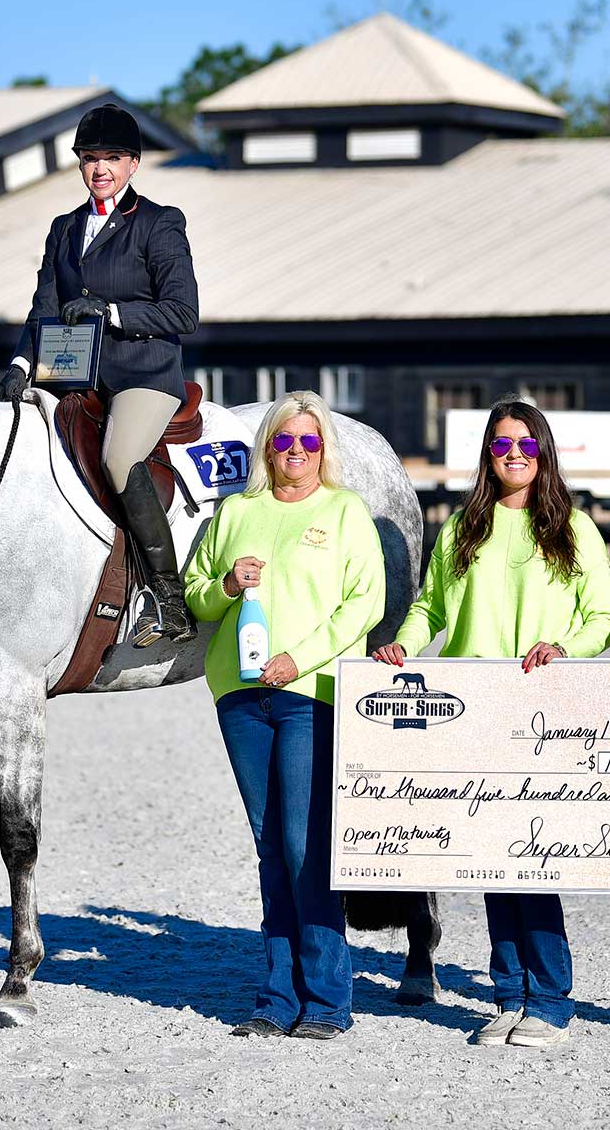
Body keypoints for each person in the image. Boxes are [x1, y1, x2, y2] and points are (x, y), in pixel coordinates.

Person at [371, 398, 610, 1048]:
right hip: (471, 710)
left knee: (533, 861)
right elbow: (430, 608)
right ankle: (508, 996)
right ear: (488, 453)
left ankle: (552, 1002)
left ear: (543, 453)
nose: (514, 454)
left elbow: (603, 619)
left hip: (539, 712)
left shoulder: (575, 530)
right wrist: (404, 645)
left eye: (526, 445)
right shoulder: (462, 529)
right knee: (490, 860)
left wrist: (565, 648)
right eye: (502, 444)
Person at [183, 392, 385, 1040]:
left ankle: (327, 999)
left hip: (312, 691)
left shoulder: (345, 510)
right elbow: (192, 594)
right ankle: (276, 998)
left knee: (306, 846)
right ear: (267, 447)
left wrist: (301, 659)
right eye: (284, 441)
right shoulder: (235, 512)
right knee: (269, 844)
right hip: (239, 694)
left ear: (324, 448)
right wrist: (226, 586)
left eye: (309, 442)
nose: (296, 453)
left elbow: (364, 602)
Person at [0, 102, 198, 646]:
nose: (100, 168)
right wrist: (18, 366)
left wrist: (112, 313)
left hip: (144, 374)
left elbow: (184, 313)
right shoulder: (63, 230)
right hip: (72, 372)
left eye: (111, 158)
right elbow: (42, 307)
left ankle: (168, 598)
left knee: (118, 457)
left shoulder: (159, 223)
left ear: (133, 164)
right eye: (90, 158)